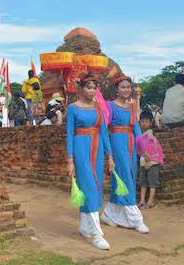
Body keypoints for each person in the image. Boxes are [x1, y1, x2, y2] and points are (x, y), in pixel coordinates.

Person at [66, 74, 114, 250]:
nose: (92, 91)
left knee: (96, 186)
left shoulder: (99, 108)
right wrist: (70, 160)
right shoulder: (72, 108)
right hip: (80, 147)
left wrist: (110, 155)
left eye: (95, 88)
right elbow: (69, 134)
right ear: (81, 89)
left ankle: (85, 226)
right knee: (90, 186)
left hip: (98, 148)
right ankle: (96, 234)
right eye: (89, 87)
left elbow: (104, 132)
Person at [101, 75, 149, 234]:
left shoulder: (132, 107)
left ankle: (109, 213)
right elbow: (103, 129)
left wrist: (143, 149)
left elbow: (137, 129)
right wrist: (108, 152)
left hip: (131, 144)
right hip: (117, 143)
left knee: (128, 177)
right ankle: (136, 220)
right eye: (123, 87)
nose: (126, 90)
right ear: (116, 89)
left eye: (128, 87)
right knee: (125, 176)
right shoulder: (109, 106)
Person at [136, 110, 164, 209]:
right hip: (144, 162)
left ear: (150, 123)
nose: (144, 123)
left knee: (152, 182)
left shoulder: (149, 135)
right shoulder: (141, 135)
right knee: (143, 183)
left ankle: (151, 200)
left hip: (151, 162)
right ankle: (142, 200)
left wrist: (148, 161)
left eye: (146, 121)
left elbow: (149, 150)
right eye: (142, 121)